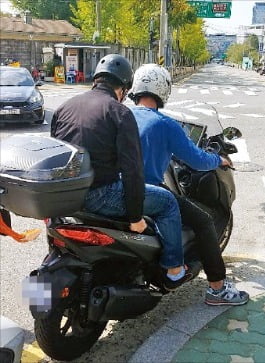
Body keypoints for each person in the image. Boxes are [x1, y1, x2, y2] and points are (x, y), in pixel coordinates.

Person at [51, 54, 195, 291]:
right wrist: (135, 217)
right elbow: (132, 170)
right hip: (100, 195)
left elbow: (56, 152)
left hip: (66, 197)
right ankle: (174, 270)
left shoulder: (64, 107)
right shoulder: (119, 112)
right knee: (168, 202)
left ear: (96, 79)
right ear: (123, 88)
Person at [128, 63, 249, 306]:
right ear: (163, 90)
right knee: (203, 220)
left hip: (112, 191)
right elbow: (197, 159)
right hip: (147, 192)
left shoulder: (122, 116)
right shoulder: (165, 124)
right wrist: (219, 159)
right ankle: (216, 289)